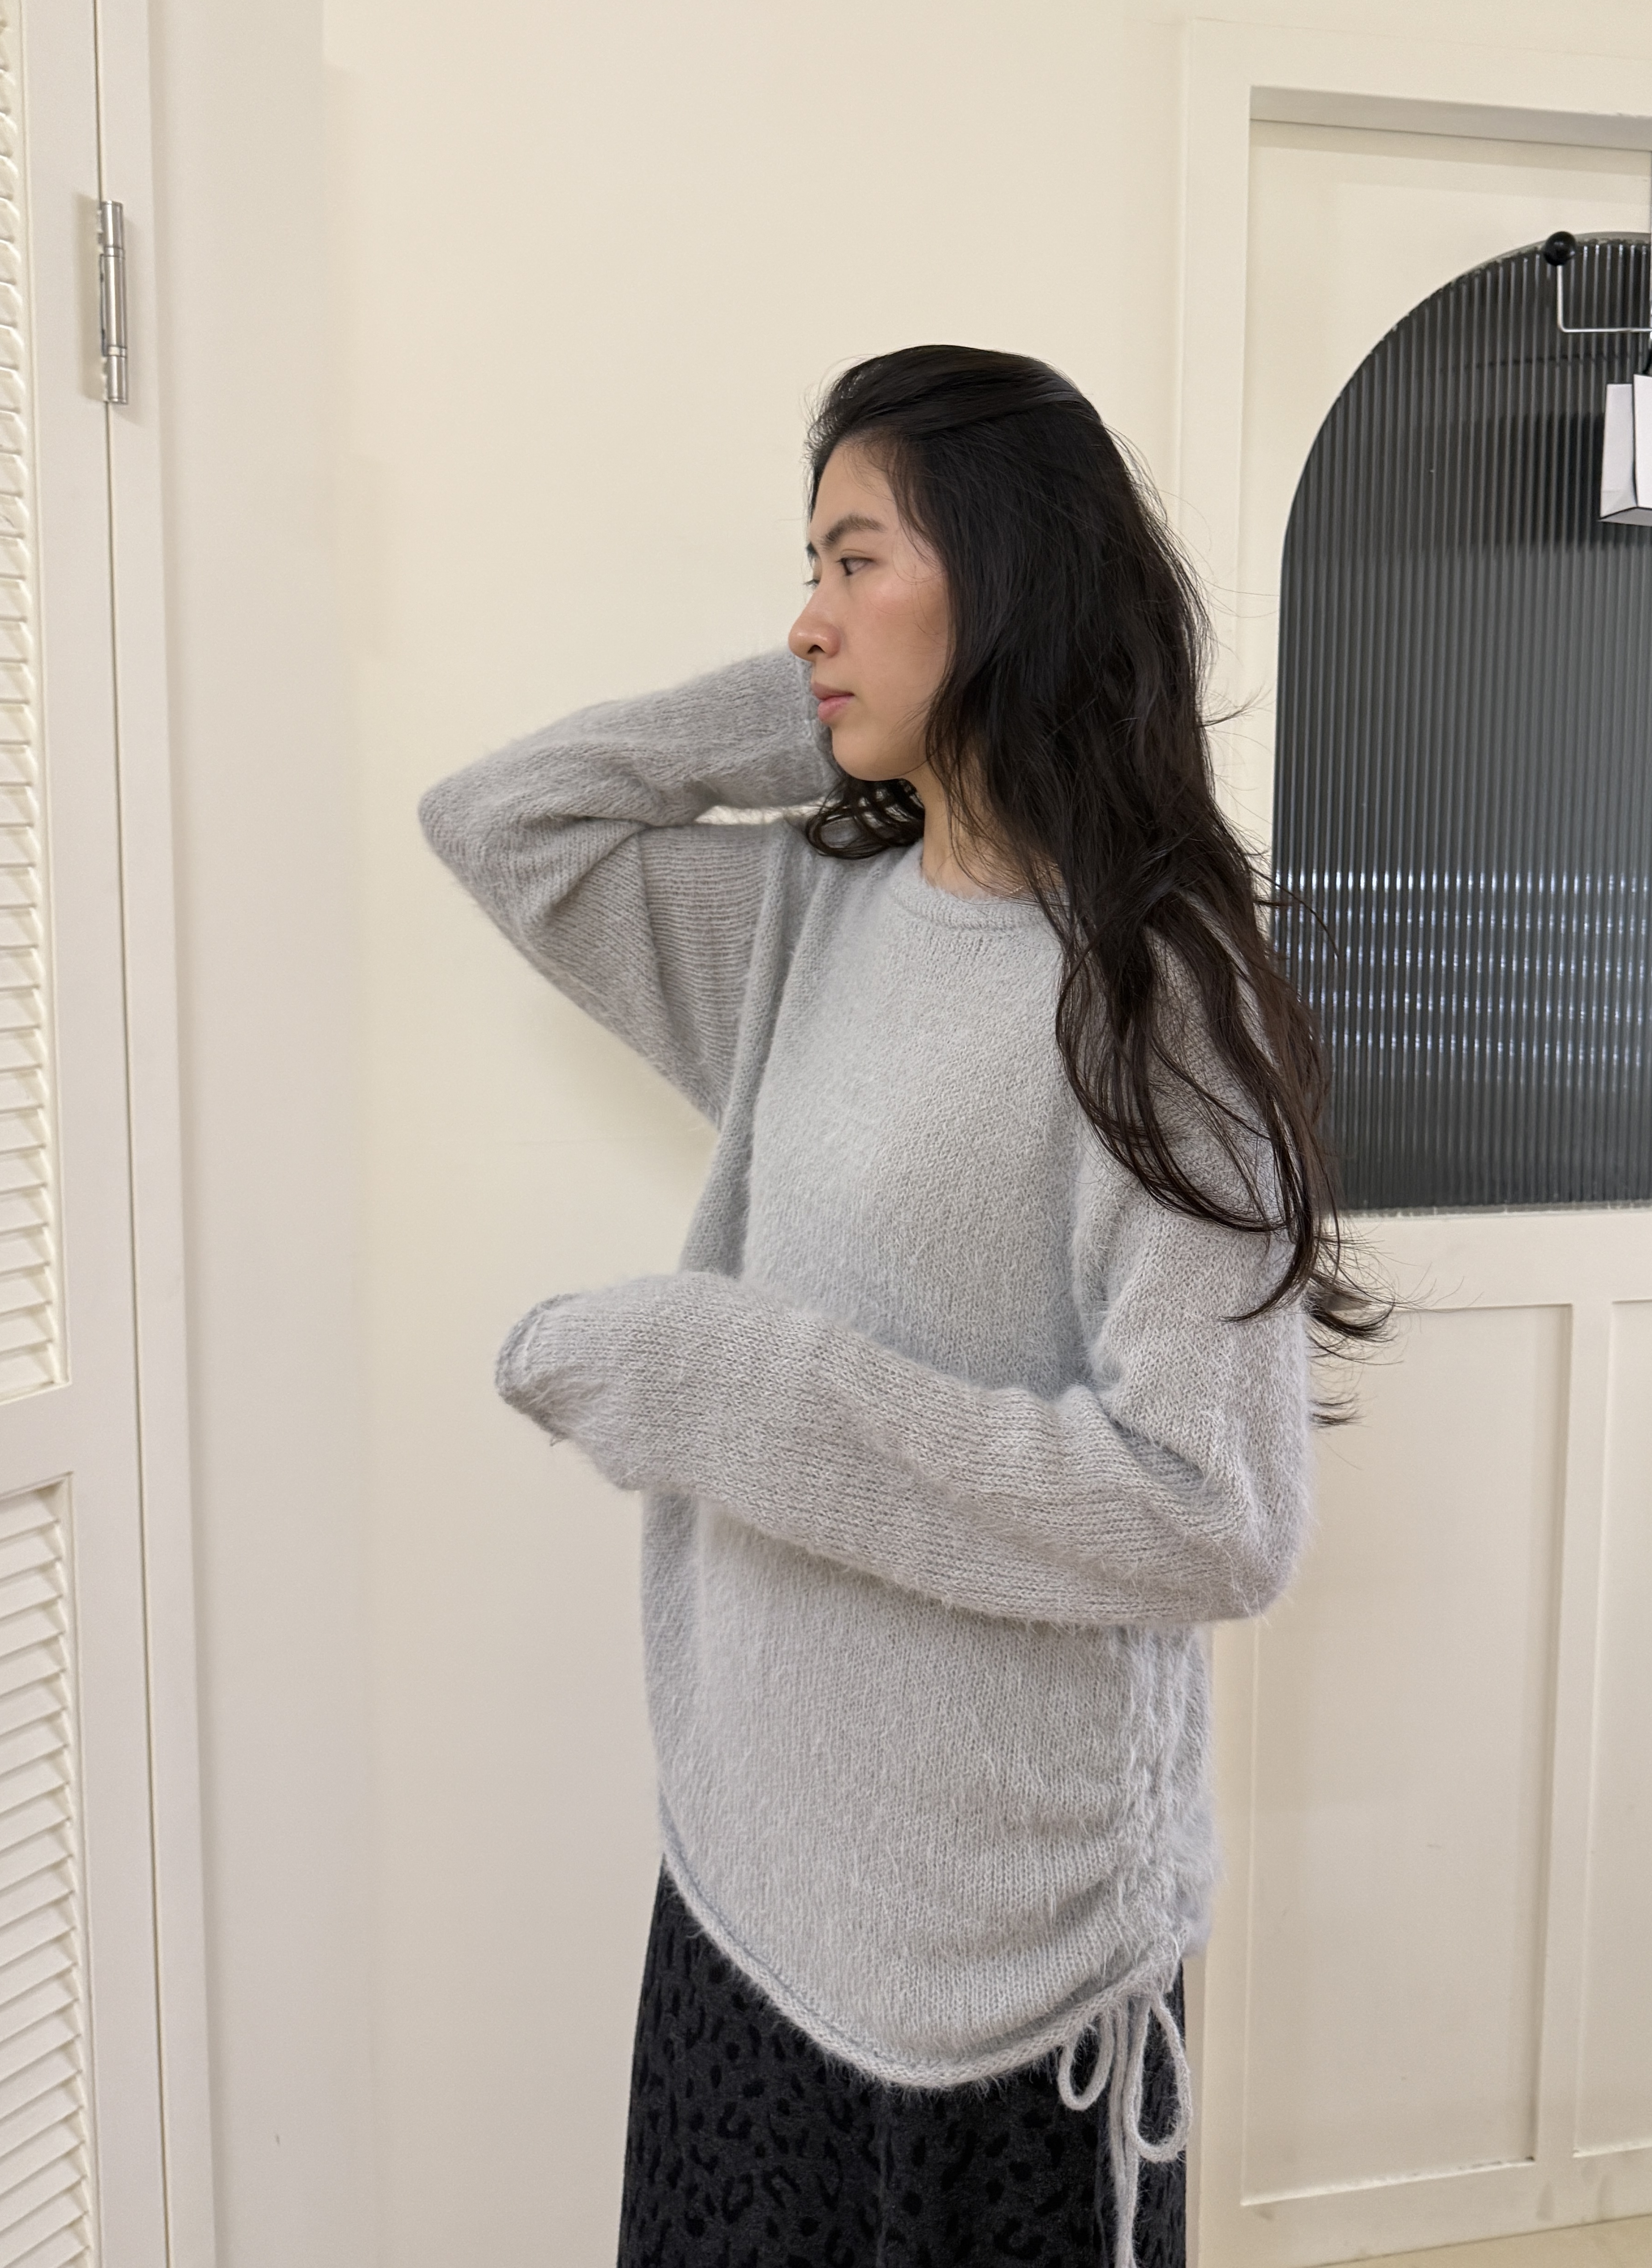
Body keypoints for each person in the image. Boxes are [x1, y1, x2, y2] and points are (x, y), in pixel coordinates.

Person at [421, 345, 1371, 2268]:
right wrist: (823, 715)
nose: (808, 617)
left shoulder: (1152, 997)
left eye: (855, 562)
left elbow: (1215, 1513)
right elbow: (505, 820)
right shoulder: (812, 915)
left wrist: (731, 1390)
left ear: (1008, 579)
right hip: (743, 1883)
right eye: (811, 567)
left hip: (999, 1972)